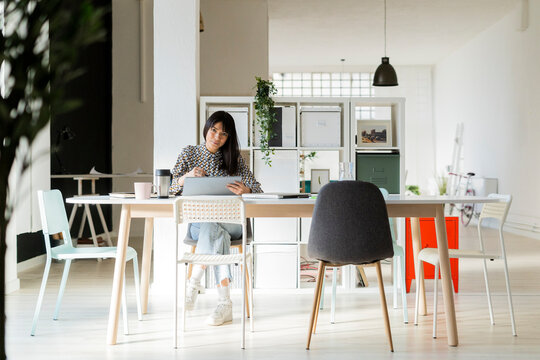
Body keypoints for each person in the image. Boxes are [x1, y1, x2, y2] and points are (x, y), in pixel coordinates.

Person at [169, 110, 263, 326]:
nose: (216, 137)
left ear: (228, 138)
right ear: (207, 129)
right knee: (214, 229)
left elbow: (258, 189)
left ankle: (193, 283)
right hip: (198, 226)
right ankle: (225, 304)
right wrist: (185, 178)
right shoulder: (190, 153)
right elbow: (170, 188)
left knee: (215, 222)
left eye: (223, 134)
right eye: (214, 130)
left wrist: (246, 189)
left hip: (233, 225)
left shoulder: (234, 159)